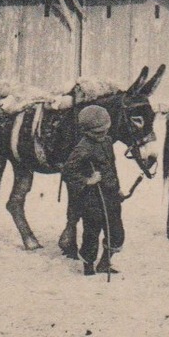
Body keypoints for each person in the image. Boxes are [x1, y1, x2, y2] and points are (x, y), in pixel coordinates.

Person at [63, 105, 124, 276]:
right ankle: (88, 268)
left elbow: (112, 167)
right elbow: (68, 172)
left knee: (116, 233)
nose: (102, 135)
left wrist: (117, 188)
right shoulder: (82, 148)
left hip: (110, 195)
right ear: (86, 131)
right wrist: (87, 181)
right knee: (91, 234)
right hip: (92, 199)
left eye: (104, 131)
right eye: (97, 133)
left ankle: (105, 263)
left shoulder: (108, 142)